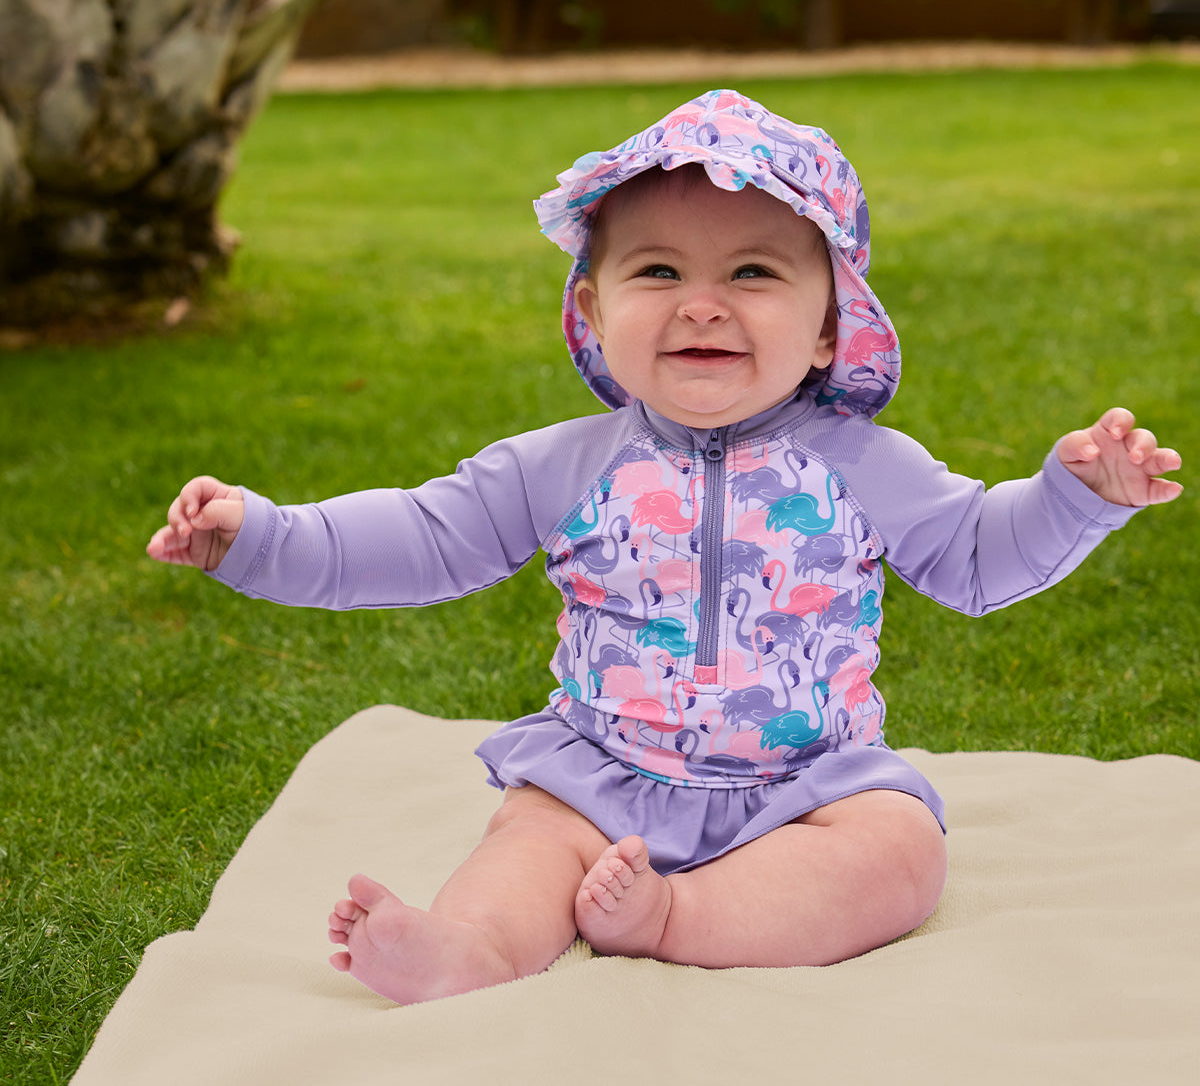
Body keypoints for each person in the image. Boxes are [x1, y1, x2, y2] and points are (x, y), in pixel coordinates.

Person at [147, 89, 1182, 1006]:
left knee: (900, 854)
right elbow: (423, 537)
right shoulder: (564, 465)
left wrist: (1073, 497)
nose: (701, 302)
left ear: (831, 327)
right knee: (530, 838)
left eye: (751, 271)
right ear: (595, 315)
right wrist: (261, 536)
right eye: (657, 270)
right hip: (602, 772)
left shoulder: (863, 464)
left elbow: (977, 557)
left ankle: (674, 919)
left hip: (807, 784)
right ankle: (467, 948)